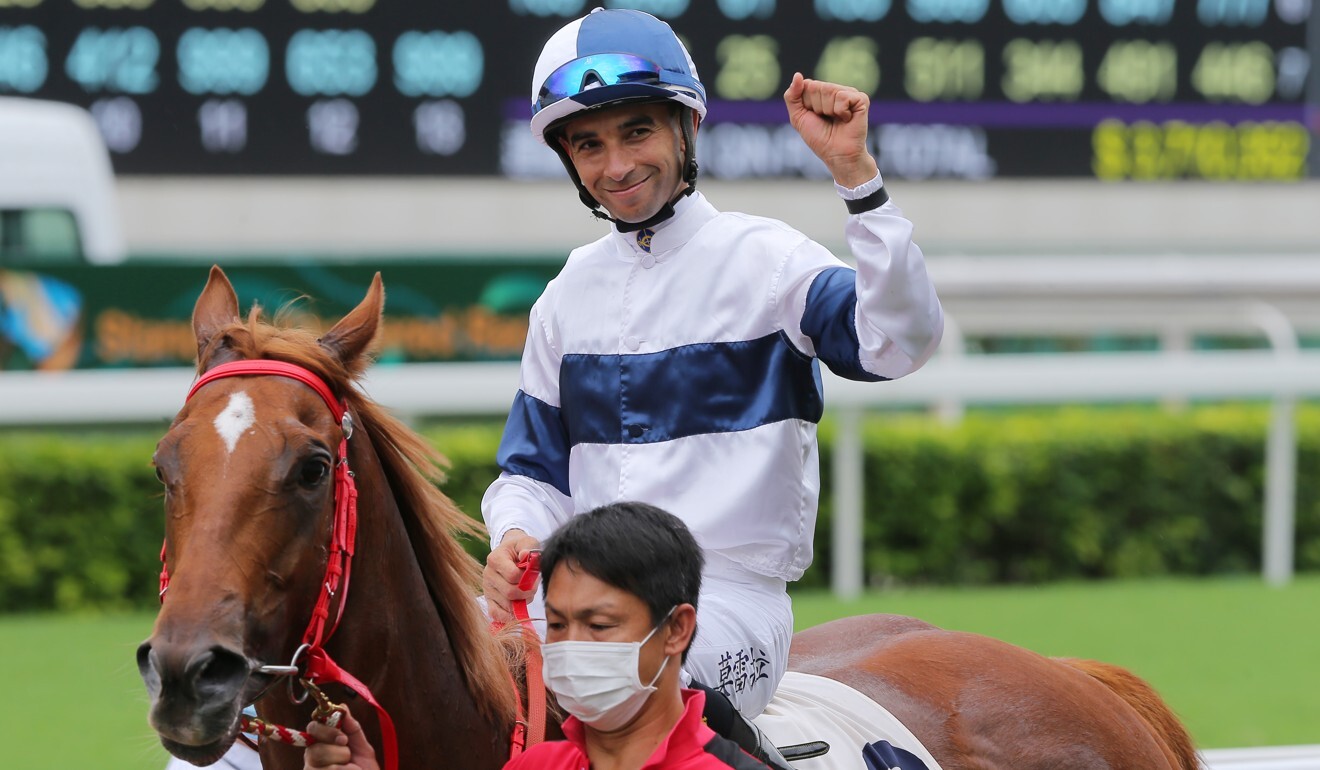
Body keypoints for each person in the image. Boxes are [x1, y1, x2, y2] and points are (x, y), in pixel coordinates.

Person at [481, 7, 944, 767]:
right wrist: (515, 537)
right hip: (569, 602)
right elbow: (530, 473)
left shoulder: (766, 260)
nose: (617, 165)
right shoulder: (566, 296)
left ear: (685, 129)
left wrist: (858, 181)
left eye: (637, 132)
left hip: (725, 605)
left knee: (627, 692)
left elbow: (897, 343)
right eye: (589, 145)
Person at [302, 502, 771, 770]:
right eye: (560, 624)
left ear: (676, 629)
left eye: (600, 626)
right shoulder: (536, 766)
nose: (570, 647)